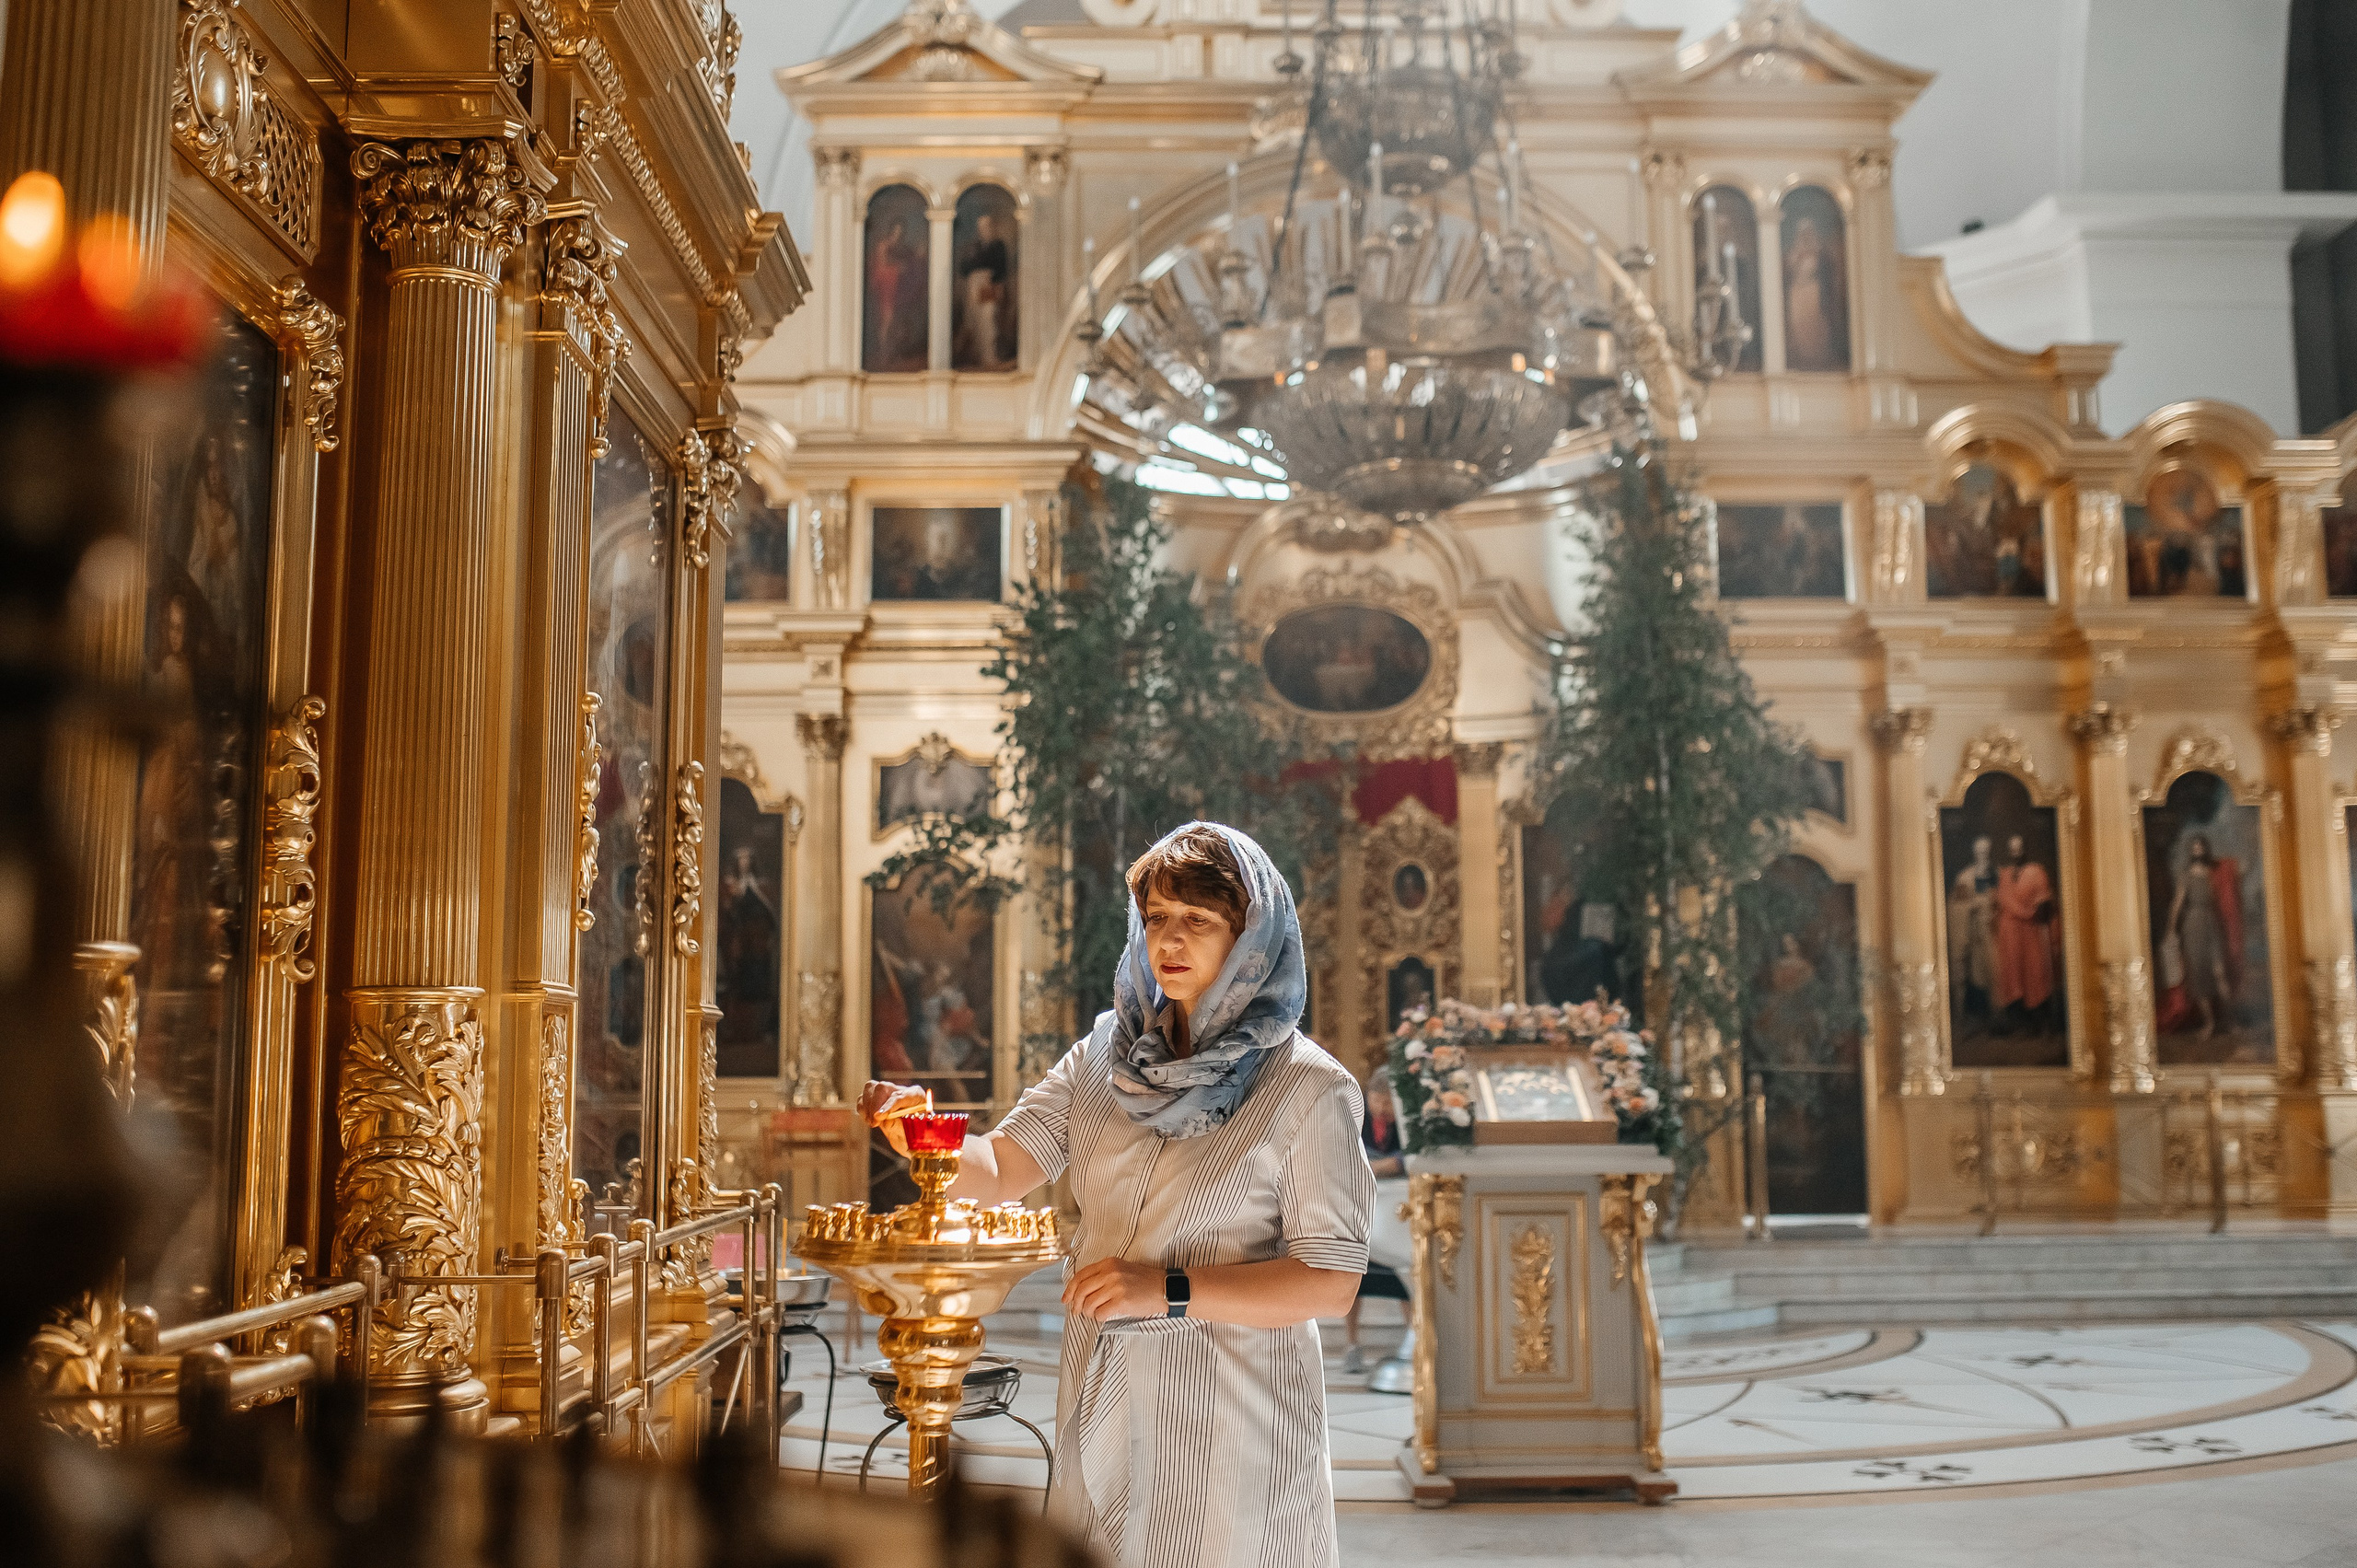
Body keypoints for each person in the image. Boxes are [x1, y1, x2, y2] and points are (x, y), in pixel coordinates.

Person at [861, 822, 1373, 1568]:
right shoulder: (1104, 1057)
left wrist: (1165, 1289)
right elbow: (999, 1168)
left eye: (1198, 918)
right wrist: (917, 1130)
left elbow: (1330, 1281)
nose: (1171, 937)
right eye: (1157, 915)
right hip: (1102, 1396)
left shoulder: (1308, 1087)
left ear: (1252, 936)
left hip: (1232, 1429)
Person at [1993, 833, 2059, 1029]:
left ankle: (2039, 1017)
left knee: (2034, 970)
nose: (2016, 852)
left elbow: (2044, 903)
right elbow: (2001, 900)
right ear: (2009, 851)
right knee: (2013, 971)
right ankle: (2018, 1019)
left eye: (2019, 848)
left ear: (2024, 849)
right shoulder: (2005, 874)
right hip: (2009, 931)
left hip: (2031, 930)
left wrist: (2034, 913)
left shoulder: (2036, 871)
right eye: (2012, 849)